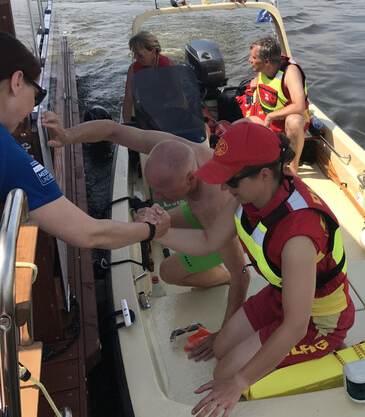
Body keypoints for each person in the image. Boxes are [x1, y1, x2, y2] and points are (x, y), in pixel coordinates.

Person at [153, 122, 355, 417]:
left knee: (225, 374)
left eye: (230, 180)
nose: (223, 188)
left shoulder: (299, 237)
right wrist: (156, 232)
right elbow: (208, 241)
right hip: (280, 296)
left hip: (317, 320)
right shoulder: (247, 193)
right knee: (220, 348)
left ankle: (328, 347)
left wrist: (239, 382)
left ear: (263, 174)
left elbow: (296, 325)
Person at [42, 112, 248, 358]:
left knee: (168, 272)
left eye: (164, 191)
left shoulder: (214, 204)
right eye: (155, 189)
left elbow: (242, 275)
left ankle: (219, 278)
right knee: (159, 221)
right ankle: (202, 266)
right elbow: (112, 130)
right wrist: (68, 135)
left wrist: (223, 336)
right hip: (198, 213)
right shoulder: (174, 149)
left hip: (224, 229)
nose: (157, 198)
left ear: (191, 179)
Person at [0, 31, 170, 250]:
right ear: (17, 81)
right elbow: (89, 234)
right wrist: (152, 229)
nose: (33, 107)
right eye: (38, 95)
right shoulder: (7, 152)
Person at [244, 36, 310, 176]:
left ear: (266, 61)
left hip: (286, 120)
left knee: (294, 121)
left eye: (253, 57)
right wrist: (255, 81)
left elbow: (299, 106)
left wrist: (271, 116)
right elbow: (268, 81)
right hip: (267, 117)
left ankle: (292, 170)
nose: (250, 60)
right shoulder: (265, 68)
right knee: (237, 128)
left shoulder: (290, 72)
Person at [122, 30, 174, 123]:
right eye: (134, 53)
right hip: (145, 111)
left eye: (139, 54)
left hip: (167, 111)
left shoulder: (170, 66)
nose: (135, 57)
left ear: (153, 51)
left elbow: (179, 97)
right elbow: (128, 100)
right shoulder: (133, 69)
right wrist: (126, 124)